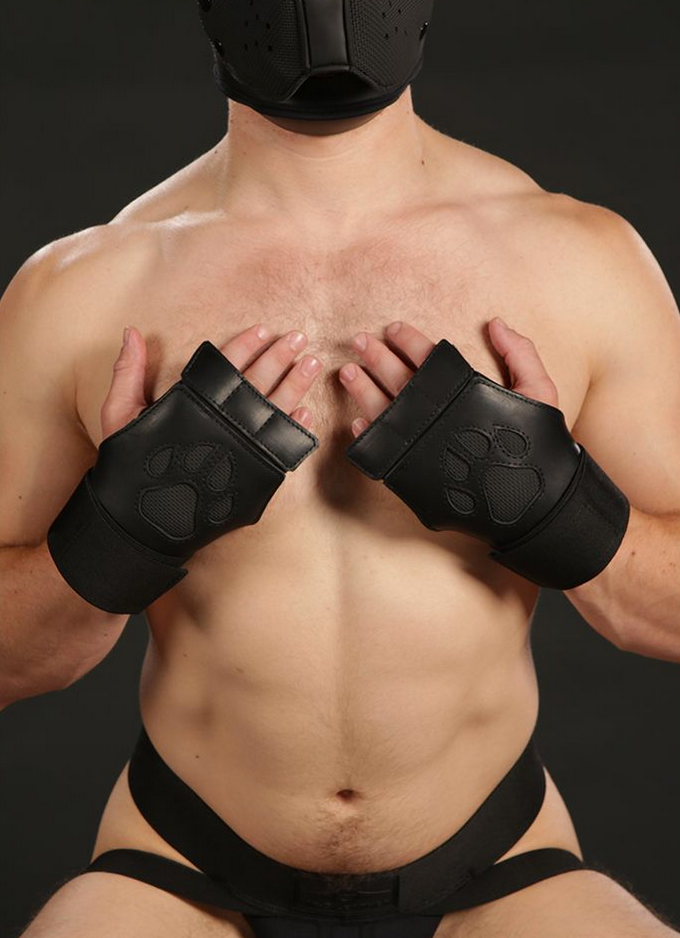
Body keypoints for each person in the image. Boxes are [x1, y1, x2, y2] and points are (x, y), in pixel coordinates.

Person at [1, 2, 679, 936]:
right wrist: (118, 533)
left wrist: (555, 506)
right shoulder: (82, 288)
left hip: (502, 864)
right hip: (179, 865)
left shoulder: (577, 259)